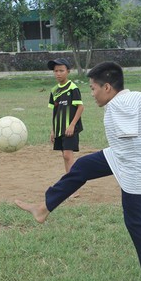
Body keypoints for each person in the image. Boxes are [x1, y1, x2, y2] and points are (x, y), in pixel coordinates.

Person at [16, 61, 141, 281]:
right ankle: (43, 208)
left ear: (107, 87)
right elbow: (135, 109)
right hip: (119, 155)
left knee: (135, 221)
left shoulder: (121, 104)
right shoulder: (133, 97)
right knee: (82, 167)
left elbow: (129, 128)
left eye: (93, 88)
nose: (92, 94)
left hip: (134, 165)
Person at [47, 58, 84, 198]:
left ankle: (73, 188)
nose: (58, 74)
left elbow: (80, 107)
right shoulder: (54, 90)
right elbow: (55, 111)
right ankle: (70, 185)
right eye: (56, 71)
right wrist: (53, 129)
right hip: (59, 129)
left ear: (68, 71)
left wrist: (72, 125)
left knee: (68, 155)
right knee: (65, 156)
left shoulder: (72, 88)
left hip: (70, 129)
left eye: (61, 70)